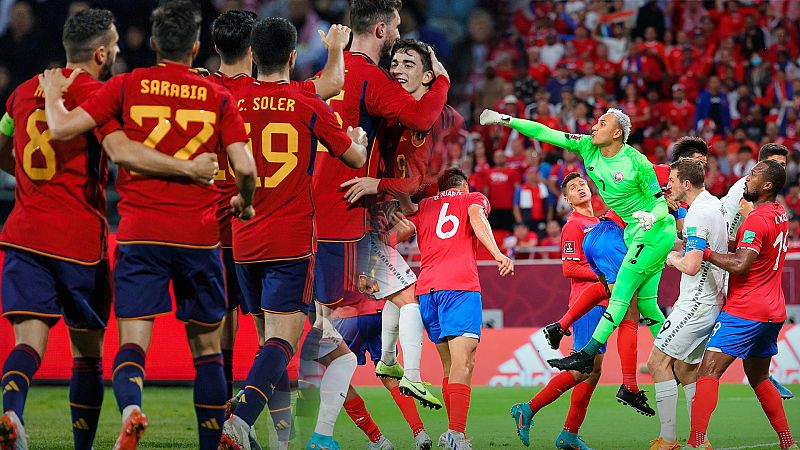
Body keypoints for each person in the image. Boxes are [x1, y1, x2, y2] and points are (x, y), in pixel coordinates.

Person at [37, 2, 258, 449]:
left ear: (153, 43)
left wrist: (49, 92)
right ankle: (210, 443)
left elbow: (62, 129)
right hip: (198, 236)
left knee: (133, 343)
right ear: (196, 46)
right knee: (209, 353)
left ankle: (133, 408)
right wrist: (243, 202)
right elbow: (247, 168)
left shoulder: (125, 84)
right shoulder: (216, 97)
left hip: (139, 232)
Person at [0, 8, 219, 450]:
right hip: (79, 239)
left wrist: (26, 178)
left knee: (28, 345)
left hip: (22, 233)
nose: (119, 51)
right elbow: (120, 150)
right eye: (115, 45)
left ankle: (10, 413)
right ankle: (85, 445)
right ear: (101, 53)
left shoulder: (23, 92)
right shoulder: (102, 96)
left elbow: (3, 146)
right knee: (86, 356)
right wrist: (189, 168)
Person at [216, 17, 368, 450]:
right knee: (285, 340)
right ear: (293, 57)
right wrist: (356, 137)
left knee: (269, 344)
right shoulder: (305, 99)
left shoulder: (232, 98)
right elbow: (355, 159)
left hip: (243, 240)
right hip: (290, 241)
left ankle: (280, 440)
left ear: (252, 56)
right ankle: (239, 422)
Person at [310, 0, 450, 415]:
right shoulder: (368, 77)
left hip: (318, 211)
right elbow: (422, 117)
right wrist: (440, 81)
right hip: (347, 218)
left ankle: (372, 386)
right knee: (399, 298)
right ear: (381, 30)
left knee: (326, 321)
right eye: (395, 27)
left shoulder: (327, 75)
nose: (397, 33)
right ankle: (404, 372)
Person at [481, 107, 674, 374]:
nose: (594, 127)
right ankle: (673, 355)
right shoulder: (587, 147)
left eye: (602, 123)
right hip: (630, 231)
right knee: (645, 302)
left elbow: (661, 205)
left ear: (617, 133)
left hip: (653, 230)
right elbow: (545, 133)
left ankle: (585, 351)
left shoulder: (637, 162)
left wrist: (651, 217)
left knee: (621, 296)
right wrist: (507, 120)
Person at [389, 168, 513, 450]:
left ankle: (454, 433)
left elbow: (402, 218)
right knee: (465, 363)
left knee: (451, 366)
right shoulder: (473, 198)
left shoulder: (424, 206)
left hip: (428, 291)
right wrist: (497, 253)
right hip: (459, 288)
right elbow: (476, 217)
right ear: (464, 185)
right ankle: (456, 435)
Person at [687, 160, 797, 450]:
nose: (747, 178)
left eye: (754, 175)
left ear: (768, 186)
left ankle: (696, 441)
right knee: (759, 375)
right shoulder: (779, 214)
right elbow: (754, 248)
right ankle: (787, 441)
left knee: (707, 372)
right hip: (773, 312)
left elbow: (741, 263)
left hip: (746, 310)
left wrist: (705, 251)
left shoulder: (757, 219)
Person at [510, 172, 601, 450]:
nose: (580, 188)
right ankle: (529, 408)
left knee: (593, 371)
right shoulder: (574, 225)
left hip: (602, 302)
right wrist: (603, 276)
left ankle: (569, 435)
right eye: (573, 188)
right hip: (587, 303)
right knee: (583, 368)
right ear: (567, 200)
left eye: (582, 184)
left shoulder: (598, 222)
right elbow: (569, 268)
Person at [649, 159, 727, 450]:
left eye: (671, 179)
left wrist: (670, 257)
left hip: (697, 301)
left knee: (656, 362)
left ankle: (668, 440)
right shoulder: (711, 205)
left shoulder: (698, 214)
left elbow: (692, 266)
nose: (667, 185)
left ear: (686, 184)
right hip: (710, 299)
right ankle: (700, 439)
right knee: (685, 369)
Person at [719, 143, 794, 401]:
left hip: (748, 281)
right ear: (760, 165)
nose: (779, 170)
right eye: (775, 164)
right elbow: (724, 234)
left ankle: (762, 374)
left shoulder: (770, 204)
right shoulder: (742, 193)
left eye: (783, 166)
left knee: (716, 364)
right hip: (723, 268)